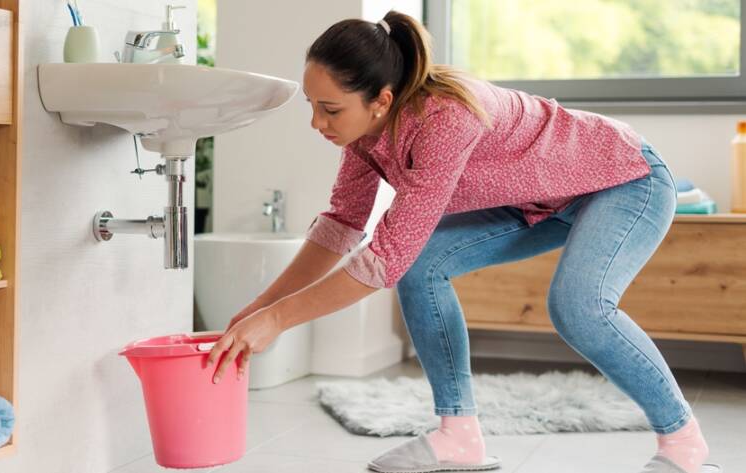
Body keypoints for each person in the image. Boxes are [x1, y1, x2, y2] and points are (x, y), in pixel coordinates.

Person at [205, 9, 720, 473]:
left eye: (331, 109)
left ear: (381, 100)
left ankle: (684, 448)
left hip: (622, 176)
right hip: (539, 200)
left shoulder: (443, 117)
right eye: (313, 106)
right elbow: (342, 226)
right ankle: (459, 437)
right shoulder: (364, 138)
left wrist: (277, 321)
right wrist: (259, 307)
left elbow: (384, 258)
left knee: (577, 306)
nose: (318, 122)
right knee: (424, 263)